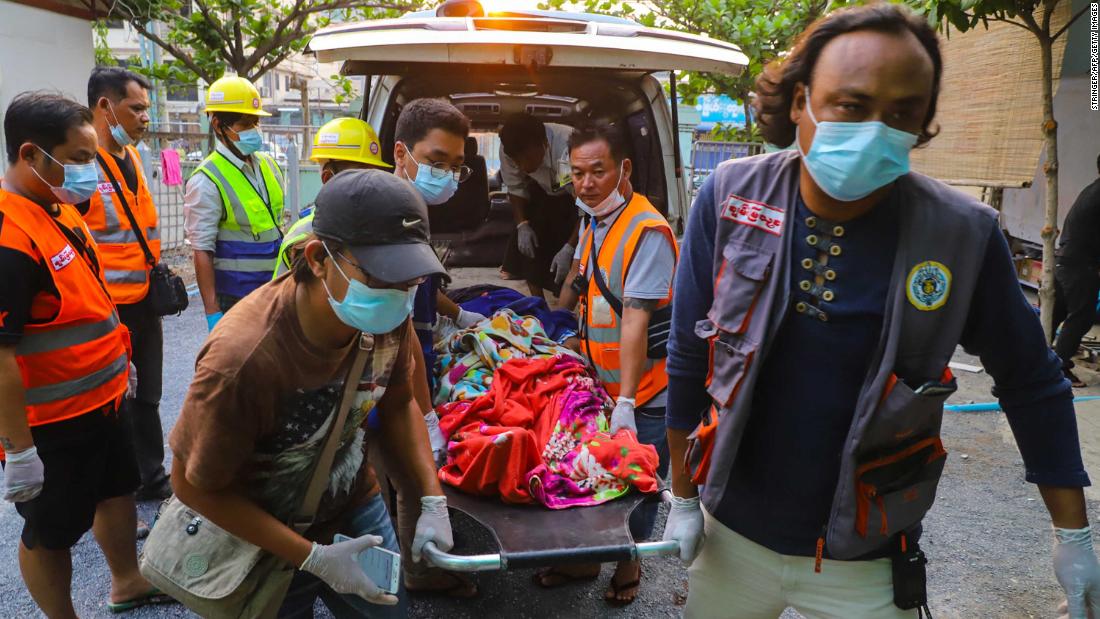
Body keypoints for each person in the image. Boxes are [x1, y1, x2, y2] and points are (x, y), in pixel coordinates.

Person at [662, 5, 1100, 618]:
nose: (875, 129)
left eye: (901, 113)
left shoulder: (961, 236)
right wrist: (682, 498)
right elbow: (687, 352)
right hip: (730, 538)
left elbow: (1032, 383)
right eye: (851, 104)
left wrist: (1074, 539)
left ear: (923, 125)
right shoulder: (732, 198)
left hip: (867, 558)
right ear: (799, 103)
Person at [169, 169, 455, 616]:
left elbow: (400, 403)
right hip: (259, 531)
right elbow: (191, 486)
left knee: (388, 611)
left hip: (350, 501)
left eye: (410, 280)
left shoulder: (388, 317)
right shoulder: (242, 360)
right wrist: (311, 557)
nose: (400, 296)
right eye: (383, 278)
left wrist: (431, 498)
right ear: (320, 258)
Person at [0, 92, 167, 616]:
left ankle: (126, 581)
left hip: (105, 399)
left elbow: (88, 299)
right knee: (51, 532)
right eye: (77, 158)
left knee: (117, 490)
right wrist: (20, 449)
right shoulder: (9, 233)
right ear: (31, 155)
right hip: (50, 423)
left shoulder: (57, 208)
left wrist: (122, 361)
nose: (88, 170)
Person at [550, 123, 677, 605]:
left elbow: (636, 322)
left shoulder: (647, 230)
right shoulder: (594, 220)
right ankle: (586, 558)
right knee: (592, 477)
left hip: (643, 392)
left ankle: (629, 565)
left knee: (635, 485)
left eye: (597, 172)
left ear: (623, 169)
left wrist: (624, 400)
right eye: (577, 173)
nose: (585, 184)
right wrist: (555, 328)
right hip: (599, 383)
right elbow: (582, 285)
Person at [389, 97, 481, 598]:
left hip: (411, 359)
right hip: (389, 370)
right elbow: (396, 329)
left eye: (455, 167)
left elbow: (421, 290)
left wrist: (458, 315)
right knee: (407, 474)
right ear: (402, 153)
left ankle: (414, 569)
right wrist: (423, 411)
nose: (445, 174)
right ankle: (413, 574)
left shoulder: (412, 210)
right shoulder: (385, 216)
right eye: (435, 161)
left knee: (403, 477)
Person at [80, 67, 171, 502]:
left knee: (147, 395)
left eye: (146, 110)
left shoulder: (132, 157)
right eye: (136, 108)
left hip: (143, 303)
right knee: (114, 399)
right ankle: (119, 486)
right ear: (105, 106)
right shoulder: (82, 167)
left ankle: (151, 477)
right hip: (106, 308)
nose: (144, 118)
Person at [184, 75, 285, 330]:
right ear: (218, 125)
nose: (254, 129)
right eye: (245, 123)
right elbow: (202, 251)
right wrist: (212, 312)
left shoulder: (269, 166)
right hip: (236, 299)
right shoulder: (206, 180)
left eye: (256, 122)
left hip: (275, 290)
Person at [273, 117, 393, 279]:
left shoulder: (390, 225)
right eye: (360, 178)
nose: (370, 185)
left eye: (373, 176)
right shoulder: (300, 238)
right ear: (328, 178)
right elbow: (284, 300)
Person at [498, 113, 578, 299]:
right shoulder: (508, 150)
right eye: (517, 161)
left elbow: (586, 208)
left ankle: (564, 303)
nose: (522, 166)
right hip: (542, 190)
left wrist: (570, 247)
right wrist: (522, 225)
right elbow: (516, 188)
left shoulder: (569, 148)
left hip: (572, 196)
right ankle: (538, 304)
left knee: (570, 257)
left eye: (525, 158)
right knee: (529, 247)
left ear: (544, 143)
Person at [1052, 154, 1100, 388]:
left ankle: (1040, 359)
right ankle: (1059, 367)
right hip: (1079, 265)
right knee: (1080, 318)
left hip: (1065, 260)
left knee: (1056, 314)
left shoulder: (1092, 189)